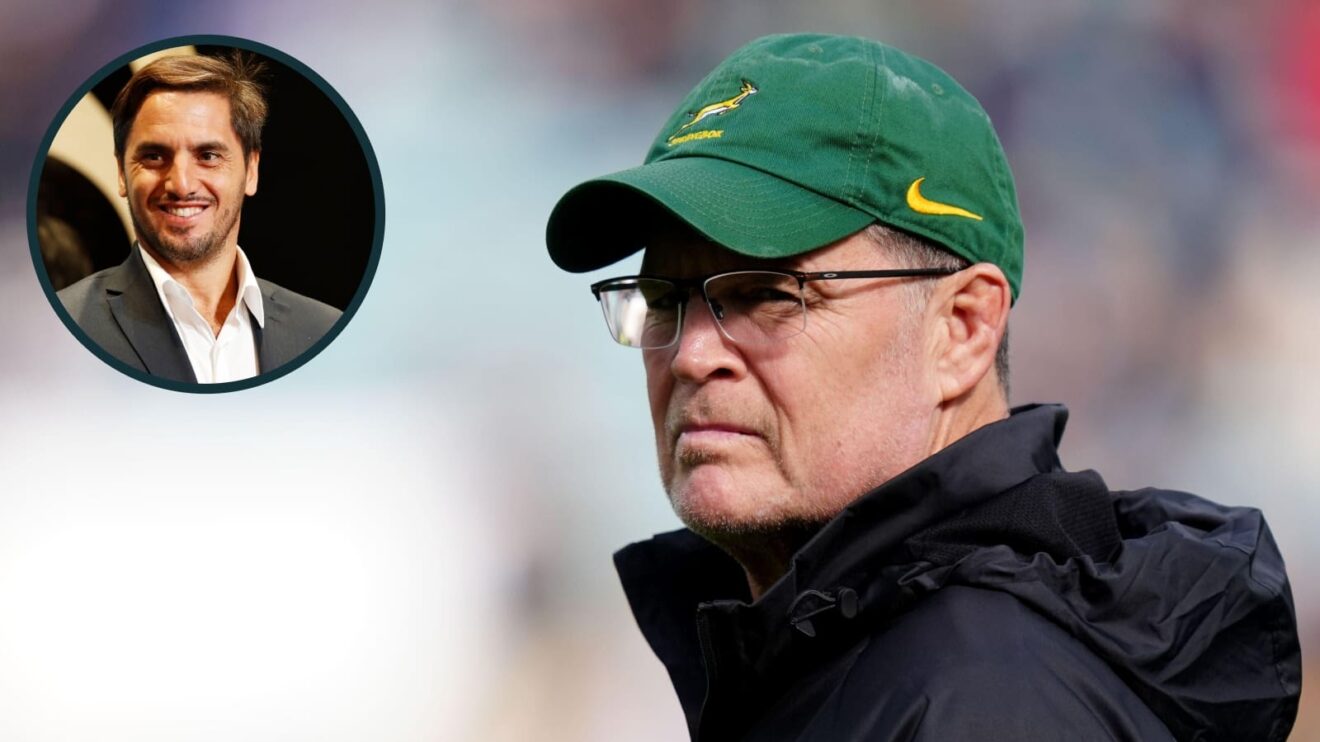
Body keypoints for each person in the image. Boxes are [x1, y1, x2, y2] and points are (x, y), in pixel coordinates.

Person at [545, 34, 1300, 740]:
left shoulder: (983, 704)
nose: (691, 354)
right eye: (667, 302)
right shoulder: (874, 659)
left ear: (963, 328)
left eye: (770, 293)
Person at [57, 52, 340, 384]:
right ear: (121, 172)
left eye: (208, 156)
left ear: (251, 170)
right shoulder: (60, 329)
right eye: (154, 156)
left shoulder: (324, 331)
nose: (182, 184)